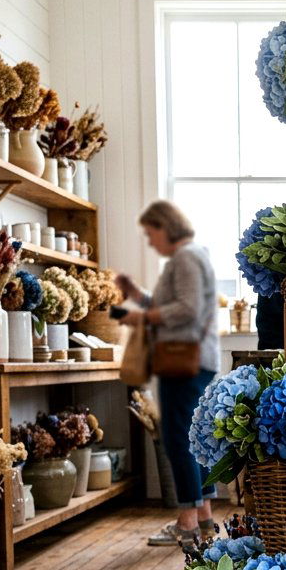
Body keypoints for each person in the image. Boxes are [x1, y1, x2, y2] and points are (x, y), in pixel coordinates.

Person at [117, 200, 219, 549]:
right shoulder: (192, 257)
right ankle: (203, 516)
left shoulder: (186, 258)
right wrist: (137, 297)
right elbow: (176, 305)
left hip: (184, 360)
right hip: (194, 359)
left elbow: (187, 310)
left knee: (179, 441)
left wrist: (142, 318)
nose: (149, 241)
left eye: (150, 233)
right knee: (194, 439)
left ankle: (186, 523)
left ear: (165, 226)